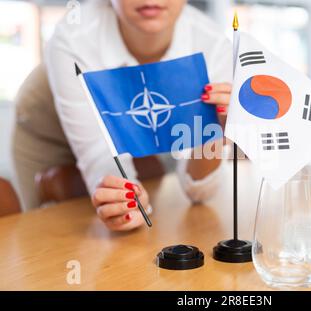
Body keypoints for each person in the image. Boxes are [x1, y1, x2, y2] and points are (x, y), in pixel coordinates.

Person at [45, 0, 232, 231]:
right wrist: (126, 202)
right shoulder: (74, 38)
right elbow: (100, 158)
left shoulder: (212, 43)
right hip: (52, 130)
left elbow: (200, 192)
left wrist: (213, 131)